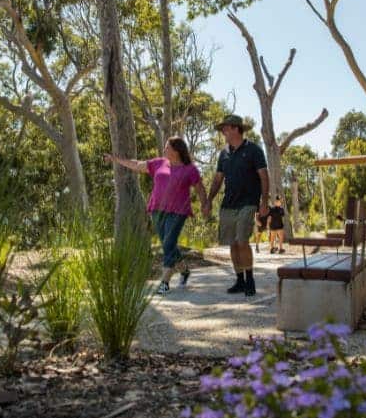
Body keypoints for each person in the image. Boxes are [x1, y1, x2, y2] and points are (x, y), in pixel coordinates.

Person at [104, 136, 210, 294]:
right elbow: (137, 165)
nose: (164, 149)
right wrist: (115, 159)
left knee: (168, 243)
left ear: (176, 150)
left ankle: (165, 282)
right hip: (157, 210)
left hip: (178, 211)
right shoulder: (159, 163)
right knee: (169, 244)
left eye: (167, 147)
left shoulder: (190, 169)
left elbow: (200, 188)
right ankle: (184, 270)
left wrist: (205, 204)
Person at [207, 114, 269, 297]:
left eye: (225, 128)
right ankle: (240, 280)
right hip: (228, 204)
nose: (223, 132)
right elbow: (218, 179)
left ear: (235, 128)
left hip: (248, 203)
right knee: (233, 244)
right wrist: (209, 199)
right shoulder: (224, 154)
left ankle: (250, 280)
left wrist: (264, 202)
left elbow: (264, 176)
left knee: (242, 240)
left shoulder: (253, 150)